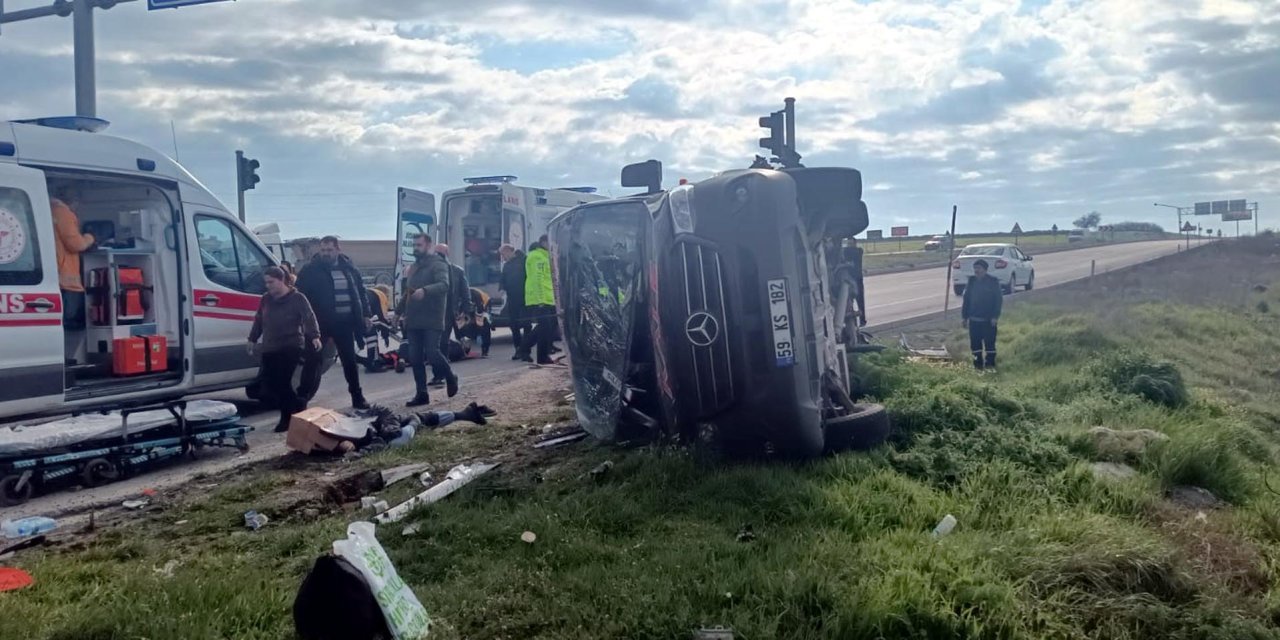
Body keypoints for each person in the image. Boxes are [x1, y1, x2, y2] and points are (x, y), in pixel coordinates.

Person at [295, 236, 372, 409]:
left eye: (329, 250)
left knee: (349, 361)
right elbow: (299, 295)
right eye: (323, 250)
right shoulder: (310, 270)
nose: (326, 253)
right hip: (319, 324)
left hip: (344, 324)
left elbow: (361, 292)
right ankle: (301, 400)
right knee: (312, 361)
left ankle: (357, 397)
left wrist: (366, 314)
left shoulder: (349, 268)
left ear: (338, 250)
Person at [247, 266, 322, 432]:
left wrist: (314, 336)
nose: (268, 286)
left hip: (290, 346)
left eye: (271, 282)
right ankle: (298, 405)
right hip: (270, 346)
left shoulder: (297, 298)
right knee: (270, 384)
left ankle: (286, 418)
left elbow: (309, 317)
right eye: (266, 283)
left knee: (282, 382)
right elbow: (259, 320)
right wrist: (252, 339)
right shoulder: (266, 299)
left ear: (282, 280)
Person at [402, 234, 458, 406]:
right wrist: (397, 313)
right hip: (413, 318)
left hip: (432, 317)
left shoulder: (438, 264)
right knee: (415, 358)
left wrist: (425, 291)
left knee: (433, 353)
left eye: (419, 245)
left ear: (428, 246)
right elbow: (409, 291)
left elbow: (444, 285)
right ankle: (421, 394)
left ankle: (450, 376)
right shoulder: (413, 267)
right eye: (414, 245)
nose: (415, 248)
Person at [50, 186, 96, 342]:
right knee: (72, 326)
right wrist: (90, 237)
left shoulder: (48, 209)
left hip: (55, 275)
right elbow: (76, 244)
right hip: (66, 282)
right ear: (74, 200)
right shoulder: (62, 212)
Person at [430, 243, 471, 387]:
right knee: (437, 344)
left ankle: (441, 375)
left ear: (446, 254)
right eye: (436, 253)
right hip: (435, 312)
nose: (438, 256)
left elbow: (465, 292)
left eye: (440, 253)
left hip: (449, 312)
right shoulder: (431, 271)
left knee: (441, 343)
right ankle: (440, 374)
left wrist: (466, 309)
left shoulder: (457, 271)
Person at [515, 235, 555, 365]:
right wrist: (541, 299)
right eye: (549, 243)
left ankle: (526, 349)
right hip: (541, 298)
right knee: (544, 327)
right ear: (543, 243)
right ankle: (539, 356)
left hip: (546, 297)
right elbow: (538, 279)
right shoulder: (537, 257)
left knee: (545, 327)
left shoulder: (543, 256)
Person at [961, 259, 1003, 371]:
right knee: (975, 345)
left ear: (985, 269)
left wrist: (995, 316)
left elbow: (998, 300)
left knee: (990, 344)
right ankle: (978, 366)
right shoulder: (971, 281)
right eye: (975, 268)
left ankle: (990, 366)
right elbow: (966, 300)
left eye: (979, 268)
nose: (976, 270)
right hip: (974, 320)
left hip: (988, 320)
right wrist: (964, 317)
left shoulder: (993, 281)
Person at [498, 244, 528, 354]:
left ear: (509, 251)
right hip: (512, 298)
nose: (502, 258)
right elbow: (503, 278)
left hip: (525, 296)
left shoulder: (524, 260)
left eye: (503, 254)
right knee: (513, 323)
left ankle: (526, 348)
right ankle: (518, 348)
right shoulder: (507, 265)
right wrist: (502, 287)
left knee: (527, 323)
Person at [456, 287, 492, 358]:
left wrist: (473, 321)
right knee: (459, 326)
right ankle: (462, 349)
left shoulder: (476, 295)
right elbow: (459, 314)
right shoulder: (458, 297)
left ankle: (485, 350)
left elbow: (479, 312)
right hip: (470, 309)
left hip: (484, 305)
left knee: (483, 325)